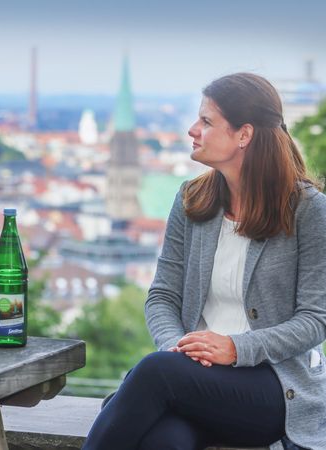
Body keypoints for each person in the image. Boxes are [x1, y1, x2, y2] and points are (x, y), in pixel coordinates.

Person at [83, 73, 326, 450]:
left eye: (207, 121)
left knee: (153, 373)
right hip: (193, 379)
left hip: (274, 385)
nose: (193, 130)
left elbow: (315, 320)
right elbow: (162, 296)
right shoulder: (192, 199)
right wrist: (178, 348)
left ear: (243, 135)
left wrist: (235, 348)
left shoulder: (308, 210)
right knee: (165, 441)